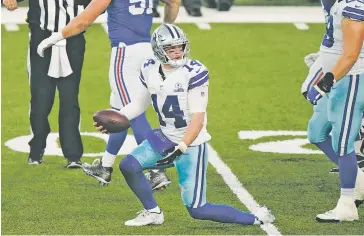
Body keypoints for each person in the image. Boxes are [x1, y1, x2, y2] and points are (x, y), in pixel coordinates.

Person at [95, 23, 275, 226]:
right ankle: (153, 212)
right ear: (158, 50)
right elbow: (139, 103)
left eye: (180, 47)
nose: (177, 52)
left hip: (191, 144)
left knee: (197, 209)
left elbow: (198, 118)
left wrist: (182, 147)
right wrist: (118, 117)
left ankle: (257, 218)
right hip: (165, 137)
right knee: (128, 165)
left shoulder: (194, 71)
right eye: (171, 48)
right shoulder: (149, 68)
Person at [37, 0, 181, 188]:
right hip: (147, 50)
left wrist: (54, 38)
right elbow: (174, 2)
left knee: (133, 112)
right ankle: (105, 166)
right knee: (119, 108)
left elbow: (84, 21)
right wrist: (166, 26)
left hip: (125, 53)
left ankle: (156, 170)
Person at [8, 0, 92, 167]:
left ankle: (73, 155)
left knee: (70, 98)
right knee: (41, 98)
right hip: (41, 37)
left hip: (72, 39)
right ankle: (36, 150)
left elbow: (97, 5)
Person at [307, 0, 364, 222]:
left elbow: (351, 55)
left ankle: (347, 205)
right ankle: (358, 180)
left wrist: (323, 83)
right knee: (316, 131)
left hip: (350, 80)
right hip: (334, 77)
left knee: (343, 142)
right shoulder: (337, 3)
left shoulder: (355, 7)